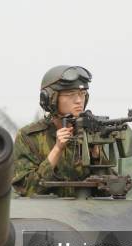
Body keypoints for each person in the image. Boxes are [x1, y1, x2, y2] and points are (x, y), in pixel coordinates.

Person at [12, 65, 106, 197]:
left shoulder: (89, 133)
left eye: (82, 94)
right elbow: (27, 189)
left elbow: (108, 190)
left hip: (84, 214)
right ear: (50, 98)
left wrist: (96, 156)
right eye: (71, 94)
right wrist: (57, 149)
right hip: (45, 216)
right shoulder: (29, 137)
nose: (79, 100)